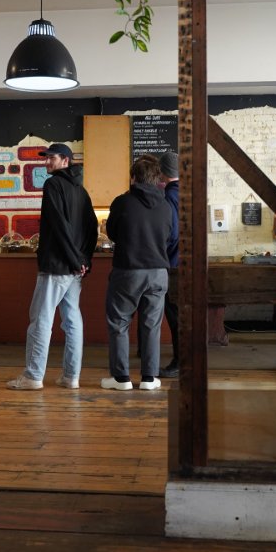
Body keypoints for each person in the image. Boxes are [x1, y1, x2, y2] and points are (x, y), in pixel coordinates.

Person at [7, 143, 98, 391]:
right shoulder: (82, 190)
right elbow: (93, 228)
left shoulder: (53, 185)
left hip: (57, 265)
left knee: (41, 321)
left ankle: (33, 376)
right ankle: (71, 377)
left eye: (51, 158)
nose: (47, 162)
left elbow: (58, 226)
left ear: (65, 160)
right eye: (46, 158)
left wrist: (75, 260)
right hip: (74, 268)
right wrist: (84, 260)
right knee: (72, 321)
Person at [102, 154, 173, 391]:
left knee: (119, 323)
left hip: (129, 271)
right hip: (159, 272)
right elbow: (171, 236)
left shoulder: (122, 202)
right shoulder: (165, 205)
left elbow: (111, 233)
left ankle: (121, 379)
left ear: (133, 177)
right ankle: (149, 378)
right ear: (156, 178)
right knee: (152, 325)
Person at [157, 151, 181, 379]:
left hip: (173, 264)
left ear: (162, 172)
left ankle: (179, 362)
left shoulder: (169, 196)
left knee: (174, 317)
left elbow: (171, 233)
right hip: (187, 262)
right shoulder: (189, 192)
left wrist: (160, 250)